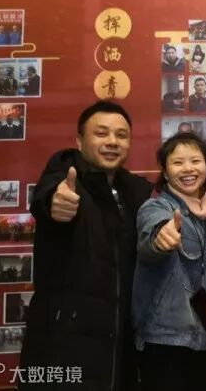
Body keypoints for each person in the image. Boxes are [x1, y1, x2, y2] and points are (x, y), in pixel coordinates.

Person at [21, 101, 154, 390]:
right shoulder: (64, 179)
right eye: (101, 133)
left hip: (118, 348)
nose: (112, 141)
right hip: (62, 346)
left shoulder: (135, 193)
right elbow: (48, 196)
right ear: (80, 141)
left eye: (121, 135)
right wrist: (55, 204)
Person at [132, 132, 206, 391]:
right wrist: (161, 239)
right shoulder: (156, 208)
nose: (188, 169)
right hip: (166, 339)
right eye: (178, 162)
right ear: (165, 172)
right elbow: (151, 238)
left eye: (195, 161)